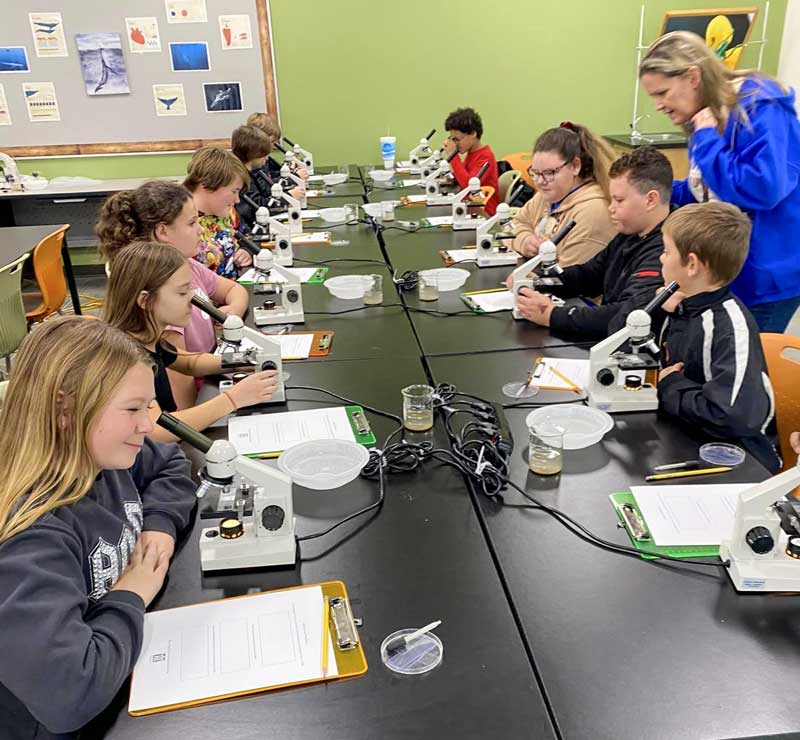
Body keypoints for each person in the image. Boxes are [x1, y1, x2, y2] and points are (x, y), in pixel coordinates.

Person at [0, 316, 196, 739]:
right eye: (132, 409)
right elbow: (69, 694)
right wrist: (132, 593)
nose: (147, 425)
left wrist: (159, 525)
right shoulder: (28, 538)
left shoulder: (102, 458)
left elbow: (171, 463)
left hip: (124, 679)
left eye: (147, 407)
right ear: (65, 410)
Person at [639, 30, 800, 333]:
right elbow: (709, 189)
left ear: (692, 76)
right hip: (728, 268)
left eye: (662, 93)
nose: (658, 105)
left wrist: (706, 139)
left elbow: (764, 189)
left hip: (764, 275)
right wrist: (654, 192)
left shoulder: (762, 107)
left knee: (744, 357)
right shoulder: (707, 116)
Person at [104, 241, 279, 440]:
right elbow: (157, 430)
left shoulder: (148, 339)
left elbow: (190, 363)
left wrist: (245, 359)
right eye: (182, 292)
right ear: (146, 301)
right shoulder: (128, 360)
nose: (192, 300)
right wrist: (234, 399)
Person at [658, 201, 780, 472]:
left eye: (666, 251)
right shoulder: (685, 305)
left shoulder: (730, 326)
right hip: (689, 433)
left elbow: (730, 415)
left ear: (692, 264)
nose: (661, 259)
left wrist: (670, 386)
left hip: (740, 461)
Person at [514, 146, 672, 339]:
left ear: (650, 200)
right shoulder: (630, 233)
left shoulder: (668, 249)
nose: (611, 208)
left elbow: (627, 315)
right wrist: (537, 281)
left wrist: (552, 315)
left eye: (619, 200)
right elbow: (589, 275)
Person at [511, 122, 617, 267]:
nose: (540, 182)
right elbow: (512, 225)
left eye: (549, 172)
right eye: (535, 173)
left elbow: (569, 275)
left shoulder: (593, 211)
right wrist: (525, 240)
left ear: (575, 166)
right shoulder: (549, 194)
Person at [184, 146, 252, 278]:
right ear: (208, 184)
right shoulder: (181, 221)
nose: (237, 200)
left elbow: (247, 237)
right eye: (234, 191)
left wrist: (246, 251)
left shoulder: (229, 212)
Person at [443, 107, 500, 216]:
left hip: (484, 213)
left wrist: (453, 156)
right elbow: (464, 177)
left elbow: (469, 187)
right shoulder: (471, 153)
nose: (455, 144)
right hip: (470, 207)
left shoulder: (485, 157)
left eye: (457, 139)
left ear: (473, 134)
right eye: (452, 139)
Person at [231, 124, 274, 228]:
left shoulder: (249, 173)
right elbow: (254, 208)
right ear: (254, 154)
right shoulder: (240, 178)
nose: (267, 158)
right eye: (264, 154)